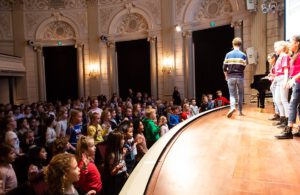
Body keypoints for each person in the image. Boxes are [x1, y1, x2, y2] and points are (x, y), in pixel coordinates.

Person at [275, 35, 300, 139]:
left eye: (291, 42)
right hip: (296, 81)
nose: (289, 44)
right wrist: (291, 78)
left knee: (292, 104)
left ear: (297, 43)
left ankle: (288, 130)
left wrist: (293, 79)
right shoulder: (295, 55)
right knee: (298, 106)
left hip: (298, 81)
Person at [223, 37, 247, 117]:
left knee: (232, 95)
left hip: (230, 77)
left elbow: (224, 67)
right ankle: (240, 111)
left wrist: (226, 76)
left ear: (233, 44)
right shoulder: (243, 55)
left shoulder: (228, 54)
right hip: (240, 77)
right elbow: (244, 67)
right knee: (240, 94)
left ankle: (232, 107)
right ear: (240, 44)